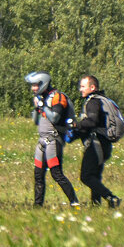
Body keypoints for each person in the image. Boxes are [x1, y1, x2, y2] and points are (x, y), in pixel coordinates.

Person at [25, 71, 79, 207]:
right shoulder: (42, 98)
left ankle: (74, 202)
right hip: (42, 140)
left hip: (54, 140)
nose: (33, 89)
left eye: (35, 85)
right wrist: (36, 108)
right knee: (38, 175)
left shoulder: (58, 97)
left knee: (56, 174)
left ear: (43, 83)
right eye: (32, 86)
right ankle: (38, 205)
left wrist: (42, 105)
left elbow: (55, 117)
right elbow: (36, 121)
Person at [76, 75, 121, 208]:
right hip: (104, 144)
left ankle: (111, 198)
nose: (80, 89)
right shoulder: (102, 100)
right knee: (94, 175)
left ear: (92, 87)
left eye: (83, 86)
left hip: (97, 144)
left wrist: (76, 125)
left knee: (86, 176)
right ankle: (95, 205)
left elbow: (92, 121)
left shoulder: (93, 102)